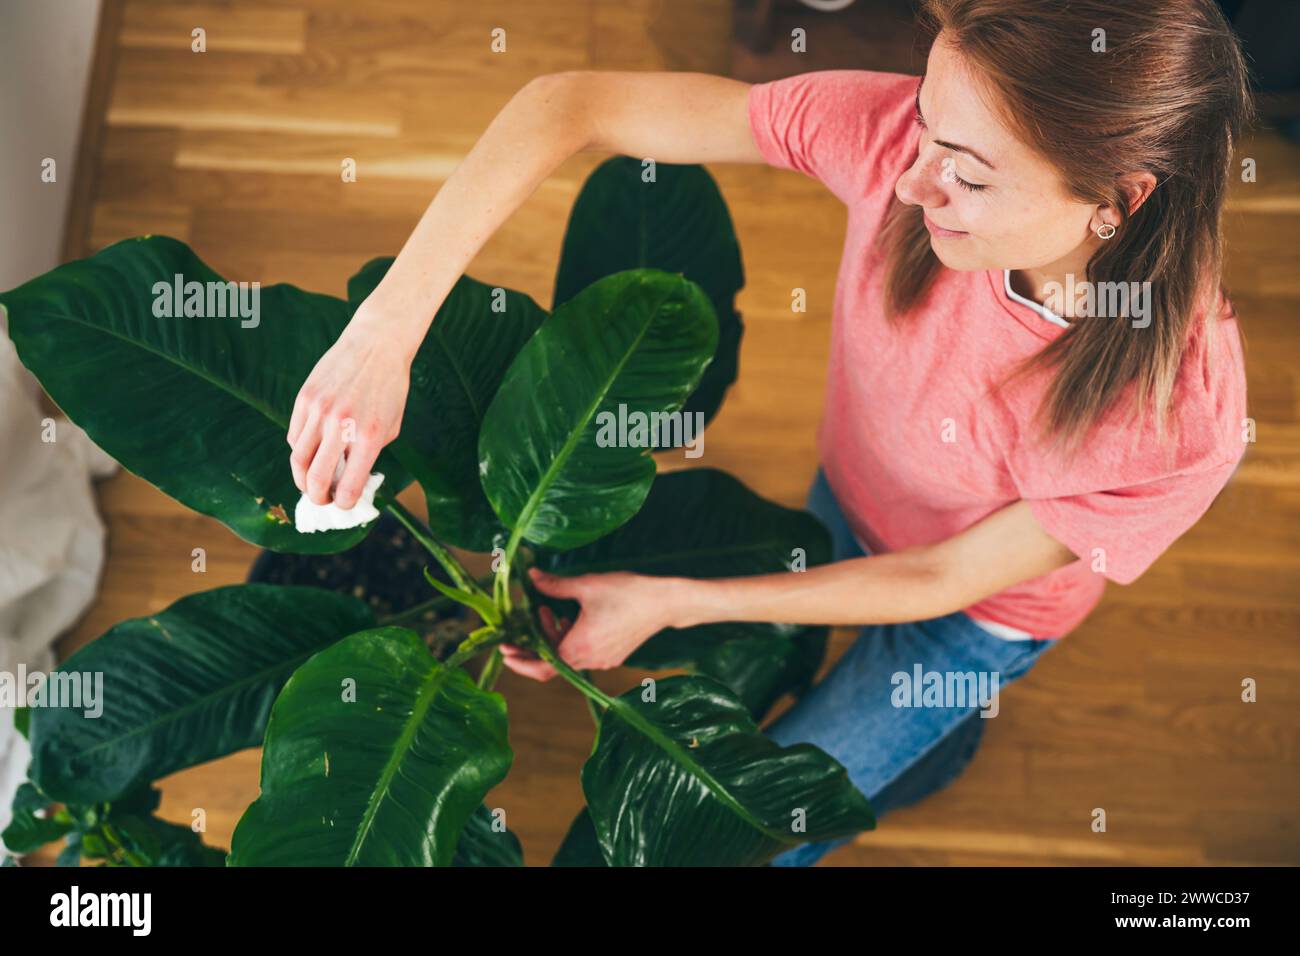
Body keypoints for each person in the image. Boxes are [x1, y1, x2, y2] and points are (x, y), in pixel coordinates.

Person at [286, 0, 1253, 866]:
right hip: (852, 493)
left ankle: (936, 746)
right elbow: (566, 103)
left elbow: (939, 582)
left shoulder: (1180, 415)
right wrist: (382, 337)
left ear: (1118, 202)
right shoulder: (892, 145)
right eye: (926, 120)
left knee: (749, 837)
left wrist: (672, 600)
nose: (911, 184)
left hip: (976, 613)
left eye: (968, 174)